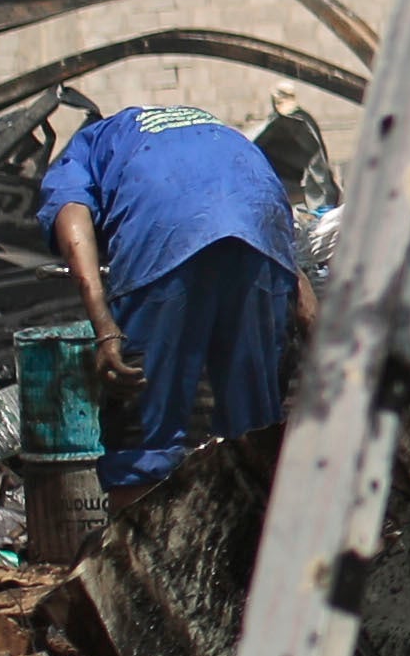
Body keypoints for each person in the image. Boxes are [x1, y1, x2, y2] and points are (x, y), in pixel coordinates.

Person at [42, 89, 310, 490]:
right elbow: (259, 224)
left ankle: (135, 544)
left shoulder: (84, 150)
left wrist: (104, 326)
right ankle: (257, 539)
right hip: (260, 226)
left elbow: (72, 219)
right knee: (255, 429)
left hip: (164, 228)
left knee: (144, 430)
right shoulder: (210, 131)